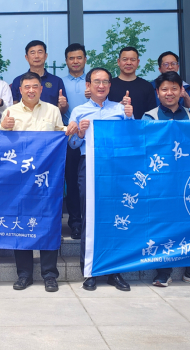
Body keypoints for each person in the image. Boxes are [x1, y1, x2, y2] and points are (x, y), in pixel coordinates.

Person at [0, 72, 70, 293]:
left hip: (47, 179)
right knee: (20, 225)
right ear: (20, 90)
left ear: (41, 88)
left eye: (35, 86)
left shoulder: (53, 110)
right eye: (27, 87)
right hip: (19, 181)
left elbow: (60, 136)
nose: (31, 90)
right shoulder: (10, 112)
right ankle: (24, 275)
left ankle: (50, 275)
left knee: (48, 224)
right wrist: (4, 128)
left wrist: (70, 131)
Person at [143, 72, 190, 288]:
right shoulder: (149, 117)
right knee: (163, 225)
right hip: (161, 183)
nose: (169, 93)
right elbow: (144, 148)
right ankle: (163, 272)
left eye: (174, 88)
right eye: (164, 89)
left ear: (182, 91)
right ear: (157, 92)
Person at [67, 68, 133, 292]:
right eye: (97, 81)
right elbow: (72, 145)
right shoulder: (79, 111)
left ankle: (115, 271)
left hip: (116, 167)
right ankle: (90, 272)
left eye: (105, 82)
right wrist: (80, 134)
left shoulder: (120, 109)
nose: (101, 85)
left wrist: (130, 116)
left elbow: (132, 138)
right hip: (90, 165)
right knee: (90, 217)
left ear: (110, 86)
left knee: (116, 216)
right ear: (88, 85)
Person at [62, 44, 88, 239]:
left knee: (89, 182)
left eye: (79, 57)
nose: (76, 61)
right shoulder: (60, 82)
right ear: (66, 61)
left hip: (92, 139)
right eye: (71, 58)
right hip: (69, 137)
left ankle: (90, 221)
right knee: (71, 181)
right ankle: (75, 223)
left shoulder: (94, 81)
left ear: (85, 59)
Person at [11, 40, 68, 115]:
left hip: (50, 121)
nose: (36, 56)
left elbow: (62, 110)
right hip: (25, 121)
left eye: (40, 52)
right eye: (32, 53)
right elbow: (14, 106)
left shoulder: (57, 81)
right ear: (26, 57)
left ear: (45, 56)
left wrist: (63, 105)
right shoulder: (18, 81)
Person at [107, 47, 156, 120]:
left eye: (133, 60)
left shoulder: (147, 86)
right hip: (114, 126)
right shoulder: (109, 85)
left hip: (141, 126)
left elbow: (152, 113)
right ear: (118, 62)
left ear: (138, 62)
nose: (129, 63)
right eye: (125, 59)